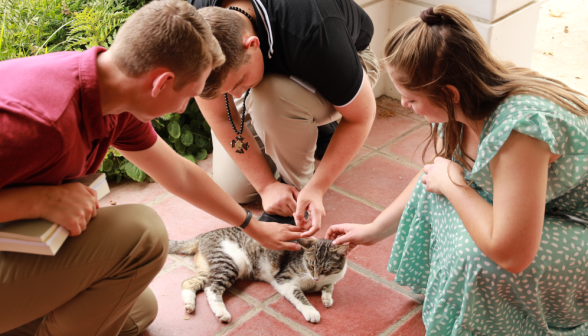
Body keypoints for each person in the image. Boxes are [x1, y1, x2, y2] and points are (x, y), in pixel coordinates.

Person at [0, 1, 303, 335]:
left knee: (135, 312)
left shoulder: (111, 95)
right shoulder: (38, 121)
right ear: (161, 83)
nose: (186, 106)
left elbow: (181, 175)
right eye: (190, 94)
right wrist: (39, 202)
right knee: (142, 236)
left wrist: (253, 227)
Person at [327, 5, 588, 335]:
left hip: (578, 229)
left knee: (478, 255)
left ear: (448, 93)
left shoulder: (520, 130)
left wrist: (456, 187)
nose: (405, 105)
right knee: (438, 179)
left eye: (411, 99)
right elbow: (432, 174)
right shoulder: (464, 104)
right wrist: (373, 230)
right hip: (551, 212)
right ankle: (456, 297)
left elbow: (513, 254)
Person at [188, 0, 380, 235]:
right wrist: (266, 186)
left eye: (238, 83)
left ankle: (296, 192)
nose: (237, 96)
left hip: (345, 59)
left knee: (270, 97)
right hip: (281, 61)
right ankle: (313, 130)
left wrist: (317, 188)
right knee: (236, 189)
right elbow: (221, 117)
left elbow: (362, 115)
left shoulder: (315, 29)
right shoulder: (194, 23)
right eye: (227, 91)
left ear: (252, 44)